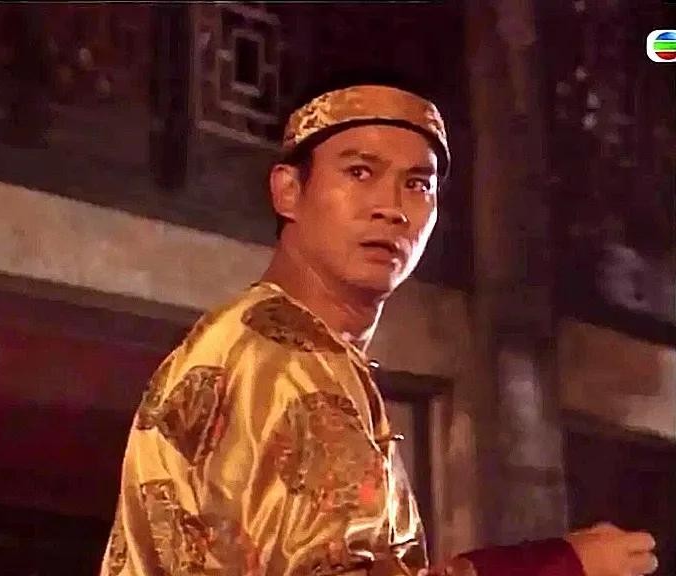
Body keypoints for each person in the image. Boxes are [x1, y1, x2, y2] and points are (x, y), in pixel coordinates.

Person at [100, 79, 659, 576]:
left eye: (418, 184)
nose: (391, 208)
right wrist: (561, 566)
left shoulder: (268, 342)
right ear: (288, 190)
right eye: (360, 172)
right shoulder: (285, 356)